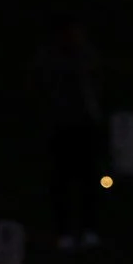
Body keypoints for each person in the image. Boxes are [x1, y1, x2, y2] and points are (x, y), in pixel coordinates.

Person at [33, 13, 103, 250]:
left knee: (87, 179)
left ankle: (89, 228)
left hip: (84, 124)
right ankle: (64, 230)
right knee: (62, 180)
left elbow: (94, 86)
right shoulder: (51, 58)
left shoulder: (86, 55)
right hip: (62, 124)